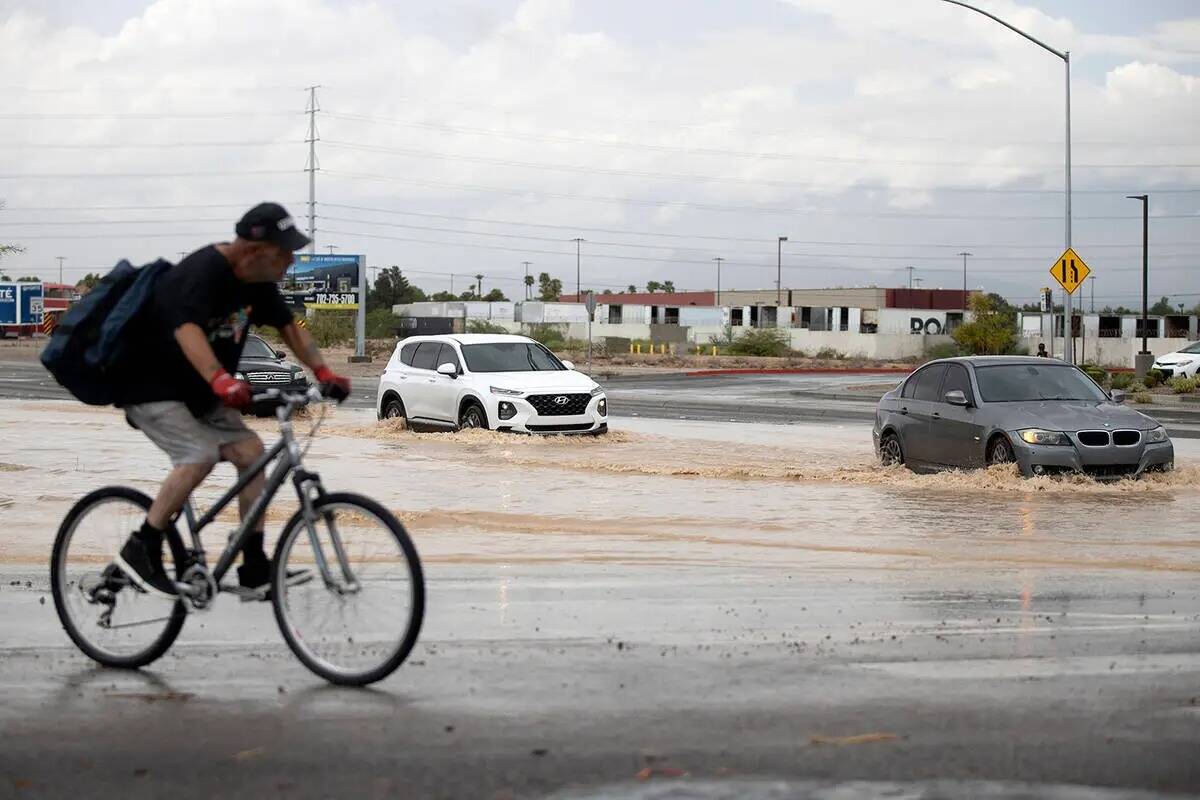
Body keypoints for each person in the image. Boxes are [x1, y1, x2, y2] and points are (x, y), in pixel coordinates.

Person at [111, 202, 351, 599]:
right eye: (285, 252)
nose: (291, 261)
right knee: (200, 454)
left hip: (199, 395)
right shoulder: (203, 272)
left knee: (253, 452)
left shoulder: (257, 282)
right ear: (257, 250)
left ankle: (253, 567)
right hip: (150, 388)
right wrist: (220, 379)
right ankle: (141, 548)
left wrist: (322, 372)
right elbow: (186, 330)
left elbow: (289, 327)